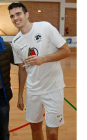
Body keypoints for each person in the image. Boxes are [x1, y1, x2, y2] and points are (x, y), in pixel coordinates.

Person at [8, 3, 70, 140]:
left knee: (53, 133)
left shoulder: (45, 27)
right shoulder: (16, 42)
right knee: (35, 127)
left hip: (53, 88)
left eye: (18, 14)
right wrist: (20, 95)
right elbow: (22, 69)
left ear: (27, 14)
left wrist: (43, 59)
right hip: (33, 91)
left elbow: (66, 51)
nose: (15, 18)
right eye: (12, 16)